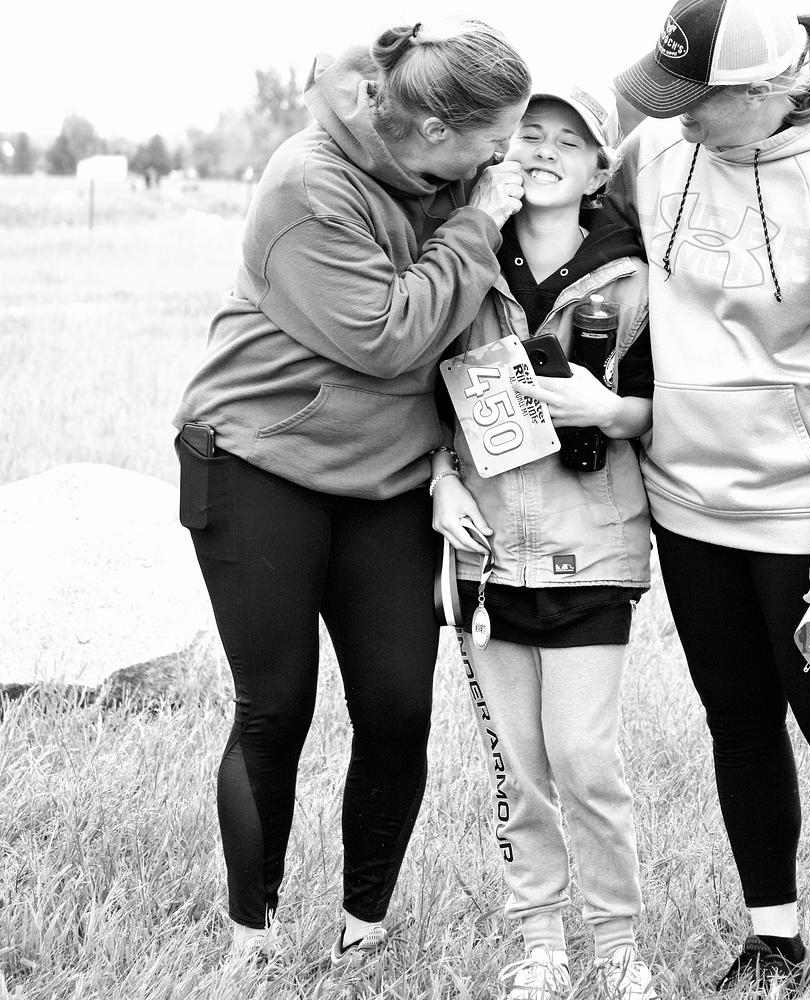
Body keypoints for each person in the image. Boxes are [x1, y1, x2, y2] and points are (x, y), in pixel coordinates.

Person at [172, 19, 531, 967]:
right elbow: (386, 337)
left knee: (398, 708)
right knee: (276, 706)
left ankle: (362, 936)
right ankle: (250, 942)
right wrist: (477, 227)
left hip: (390, 475)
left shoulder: (450, 167)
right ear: (435, 130)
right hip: (259, 460)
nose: (504, 159)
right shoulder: (308, 185)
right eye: (495, 141)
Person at [606, 0, 810, 997]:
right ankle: (772, 939)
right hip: (687, 507)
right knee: (737, 721)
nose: (677, 114)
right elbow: (589, 229)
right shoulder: (657, 153)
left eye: (698, 97)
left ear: (772, 88)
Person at [432, 79, 658, 1000]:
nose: (545, 152)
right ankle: (540, 945)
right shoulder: (464, 258)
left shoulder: (634, 277)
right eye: (530, 133)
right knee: (520, 769)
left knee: (582, 758)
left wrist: (609, 408)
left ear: (601, 168)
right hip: (485, 554)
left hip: (592, 546)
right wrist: (442, 483)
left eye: (570, 140)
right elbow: (418, 394)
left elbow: (666, 408)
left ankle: (617, 945)